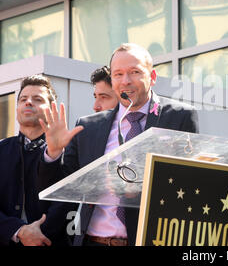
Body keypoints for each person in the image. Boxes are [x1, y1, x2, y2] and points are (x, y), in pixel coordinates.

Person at [39, 43, 198, 246]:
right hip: (93, 241)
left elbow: (189, 185)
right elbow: (60, 188)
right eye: (118, 74)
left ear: (153, 77)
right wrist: (52, 153)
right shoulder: (88, 127)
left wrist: (140, 190)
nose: (126, 81)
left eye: (135, 72)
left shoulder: (179, 117)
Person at [0, 75, 69, 246]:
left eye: (37, 99)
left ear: (51, 109)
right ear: (17, 109)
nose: (28, 102)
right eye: (23, 99)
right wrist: (17, 230)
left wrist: (38, 235)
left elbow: (66, 202)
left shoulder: (67, 152)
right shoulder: (1, 149)